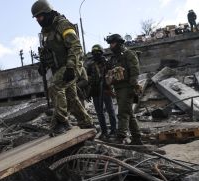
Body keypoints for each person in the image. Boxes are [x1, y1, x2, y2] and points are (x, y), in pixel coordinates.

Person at [32, 0, 94, 136]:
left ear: (48, 13)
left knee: (55, 86)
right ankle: (86, 122)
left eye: (40, 17)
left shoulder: (63, 25)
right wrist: (43, 66)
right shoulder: (46, 32)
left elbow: (75, 47)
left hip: (72, 65)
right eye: (36, 18)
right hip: (61, 68)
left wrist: (71, 67)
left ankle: (62, 122)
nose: (38, 20)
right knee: (72, 98)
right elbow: (48, 53)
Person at [105, 34, 143, 145]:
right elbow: (110, 74)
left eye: (113, 43)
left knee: (123, 113)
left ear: (119, 43)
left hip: (127, 87)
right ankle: (137, 138)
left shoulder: (128, 54)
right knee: (129, 114)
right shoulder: (114, 58)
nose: (111, 46)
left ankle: (120, 136)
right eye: (110, 44)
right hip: (118, 88)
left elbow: (135, 70)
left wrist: (134, 85)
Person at [86, 44, 117, 140]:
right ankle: (104, 131)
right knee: (99, 113)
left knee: (110, 110)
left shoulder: (107, 63)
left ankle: (114, 130)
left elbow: (112, 77)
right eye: (94, 53)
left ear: (102, 53)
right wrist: (88, 92)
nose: (96, 54)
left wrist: (111, 88)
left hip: (106, 89)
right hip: (95, 91)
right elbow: (87, 80)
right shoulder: (90, 65)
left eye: (98, 53)